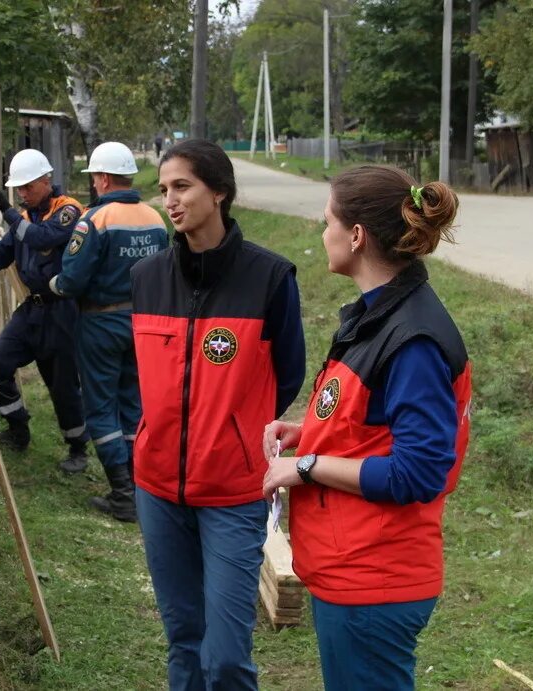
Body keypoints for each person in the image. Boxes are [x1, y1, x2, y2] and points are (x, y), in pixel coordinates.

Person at [262, 166, 472, 691]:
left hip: (376, 578)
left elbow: (419, 472)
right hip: (352, 568)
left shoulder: (412, 339)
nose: (322, 232)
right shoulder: (382, 314)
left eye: (327, 221)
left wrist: (306, 467)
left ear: (356, 236)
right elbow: (371, 422)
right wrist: (309, 431)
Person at [131, 139, 306, 689]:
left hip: (232, 490)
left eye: (182, 186)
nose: (170, 201)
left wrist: (233, 429)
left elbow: (290, 372)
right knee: (184, 640)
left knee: (226, 655)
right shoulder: (147, 278)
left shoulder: (270, 278)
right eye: (164, 190)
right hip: (158, 487)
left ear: (220, 191)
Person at [47, 141, 168, 521]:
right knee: (133, 404)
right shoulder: (155, 217)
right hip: (143, 325)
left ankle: (121, 493)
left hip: (100, 323)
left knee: (100, 406)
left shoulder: (95, 220)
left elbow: (73, 279)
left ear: (101, 178)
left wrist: (52, 286)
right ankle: (138, 482)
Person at [0, 148, 91, 468]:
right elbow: (3, 253)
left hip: (61, 311)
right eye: (19, 190)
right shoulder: (26, 216)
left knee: (63, 384)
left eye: (28, 187)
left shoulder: (67, 210)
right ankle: (18, 428)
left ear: (46, 180)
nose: (23, 194)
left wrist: (6, 209)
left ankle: (77, 447)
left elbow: (43, 239)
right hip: (32, 309)